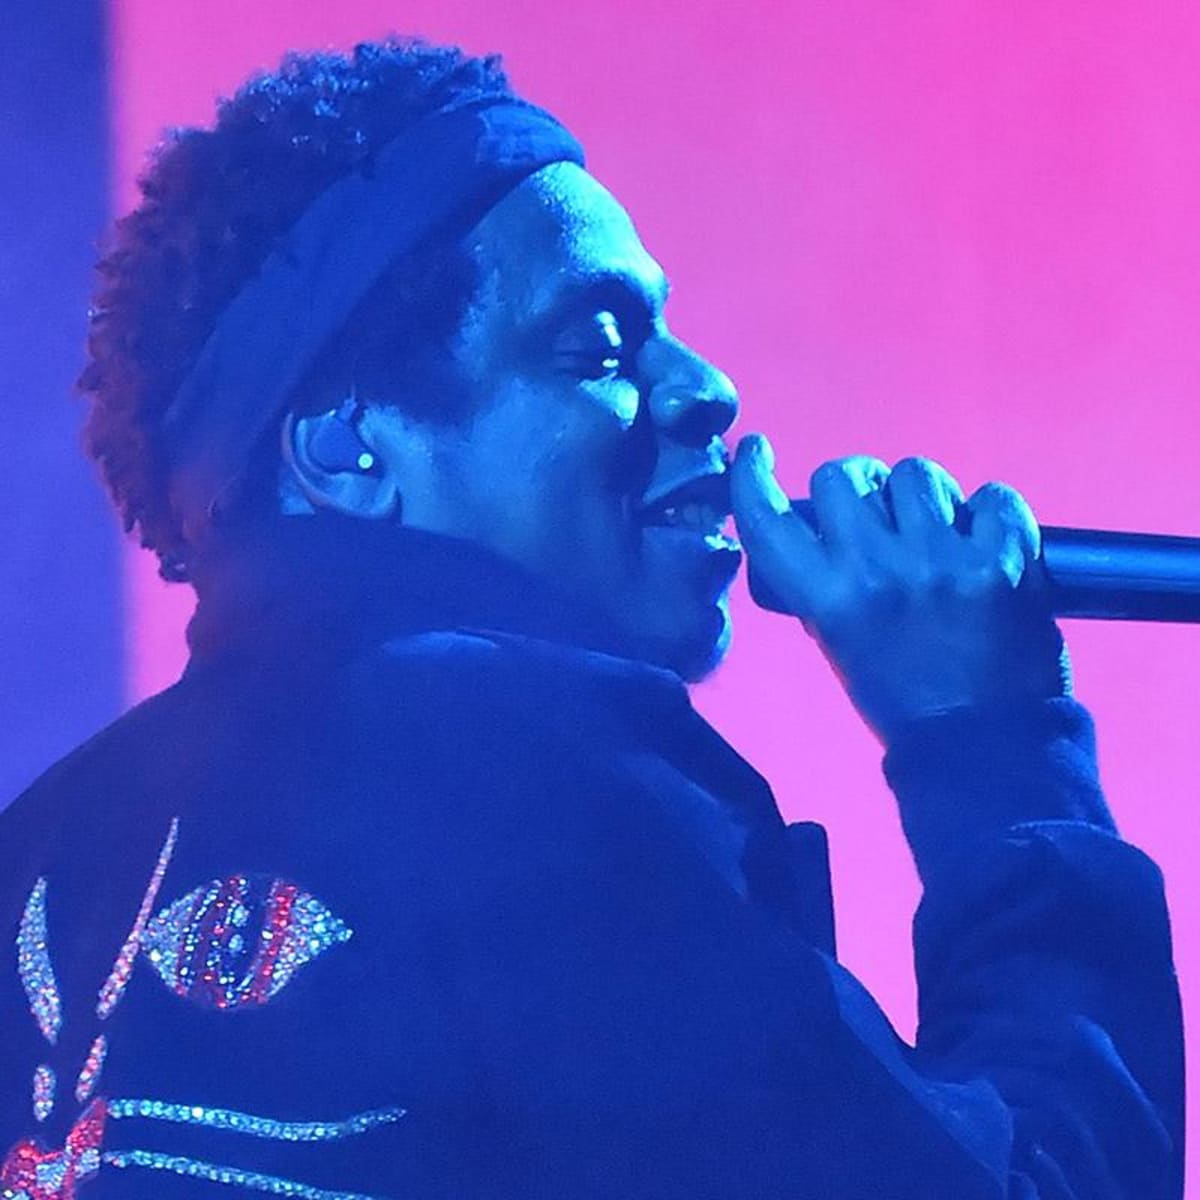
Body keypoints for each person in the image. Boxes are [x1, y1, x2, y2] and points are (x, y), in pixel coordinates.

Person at [0, 39, 1182, 1200]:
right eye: (598, 346)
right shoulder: (521, 760)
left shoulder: (37, 846)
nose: (707, 389)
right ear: (349, 450)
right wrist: (988, 737)